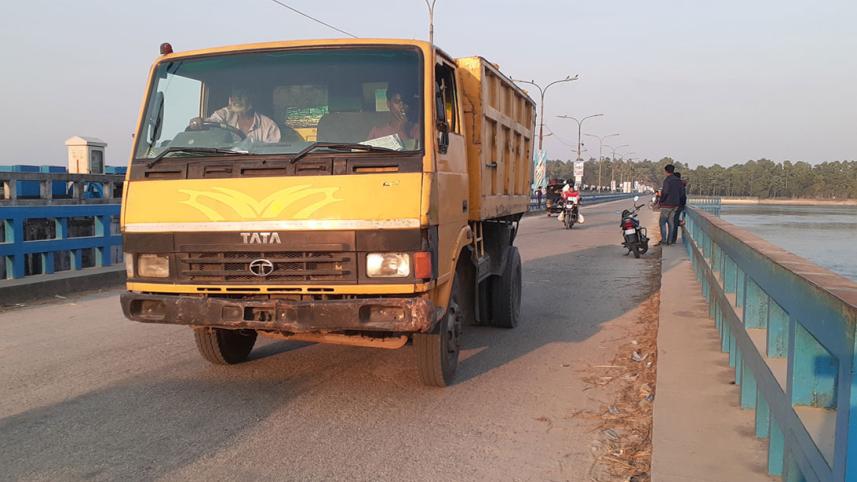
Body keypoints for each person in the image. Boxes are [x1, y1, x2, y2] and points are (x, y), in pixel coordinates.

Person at [190, 88, 281, 143]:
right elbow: (211, 122)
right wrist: (199, 122)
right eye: (234, 94)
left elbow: (273, 157)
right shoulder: (225, 114)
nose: (237, 99)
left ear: (252, 98)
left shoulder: (269, 126)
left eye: (242, 94)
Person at [656, 164, 684, 246]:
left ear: (666, 171)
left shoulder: (667, 180)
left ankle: (664, 240)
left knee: (662, 222)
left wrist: (660, 202)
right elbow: (681, 193)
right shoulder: (678, 181)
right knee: (671, 223)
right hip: (675, 205)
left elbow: (665, 192)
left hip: (667, 205)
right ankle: (670, 241)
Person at [669, 172, 688, 244]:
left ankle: (672, 239)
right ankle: (673, 239)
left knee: (673, 222)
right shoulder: (681, 184)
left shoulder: (677, 185)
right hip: (680, 206)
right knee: (674, 222)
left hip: (677, 206)